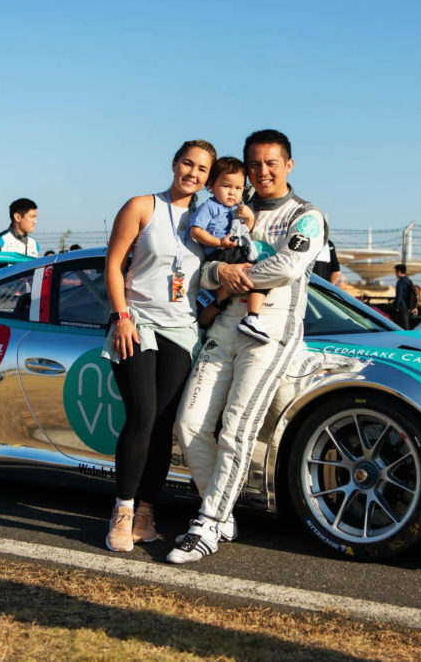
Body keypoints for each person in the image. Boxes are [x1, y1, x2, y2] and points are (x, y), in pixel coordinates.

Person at [169, 129, 327, 564]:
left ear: (289, 165)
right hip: (225, 324)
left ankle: (206, 524)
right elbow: (200, 270)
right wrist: (219, 274)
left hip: (270, 328)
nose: (261, 172)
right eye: (254, 164)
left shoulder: (306, 215)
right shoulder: (234, 206)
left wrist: (238, 275)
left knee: (237, 428)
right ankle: (220, 514)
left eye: (271, 163)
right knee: (190, 425)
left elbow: (289, 265)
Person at [101, 139, 214, 553]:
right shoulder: (142, 206)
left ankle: (147, 511)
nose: (193, 174)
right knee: (143, 415)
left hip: (181, 330)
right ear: (174, 163)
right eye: (188, 163)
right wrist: (122, 317)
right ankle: (123, 509)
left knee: (164, 425)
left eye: (202, 169)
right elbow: (113, 264)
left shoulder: (211, 221)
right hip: (138, 323)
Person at [189, 156, 267, 341]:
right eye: (226, 186)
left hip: (234, 250)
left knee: (222, 299)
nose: (232, 192)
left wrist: (248, 218)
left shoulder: (239, 207)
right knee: (260, 276)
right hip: (220, 253)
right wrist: (219, 242)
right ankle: (252, 317)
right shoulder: (210, 207)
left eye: (238, 188)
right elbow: (196, 231)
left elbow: (246, 230)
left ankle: (206, 325)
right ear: (211, 185)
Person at [0, 198, 39, 274]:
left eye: (35, 217)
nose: (35, 222)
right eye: (32, 217)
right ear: (17, 217)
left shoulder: (34, 245)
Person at [392, 264, 417, 330]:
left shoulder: (400, 282)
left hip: (402, 307)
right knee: (406, 325)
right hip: (408, 307)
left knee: (403, 327)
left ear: (399, 272)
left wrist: (396, 306)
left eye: (396, 272)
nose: (395, 274)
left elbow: (399, 295)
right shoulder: (409, 281)